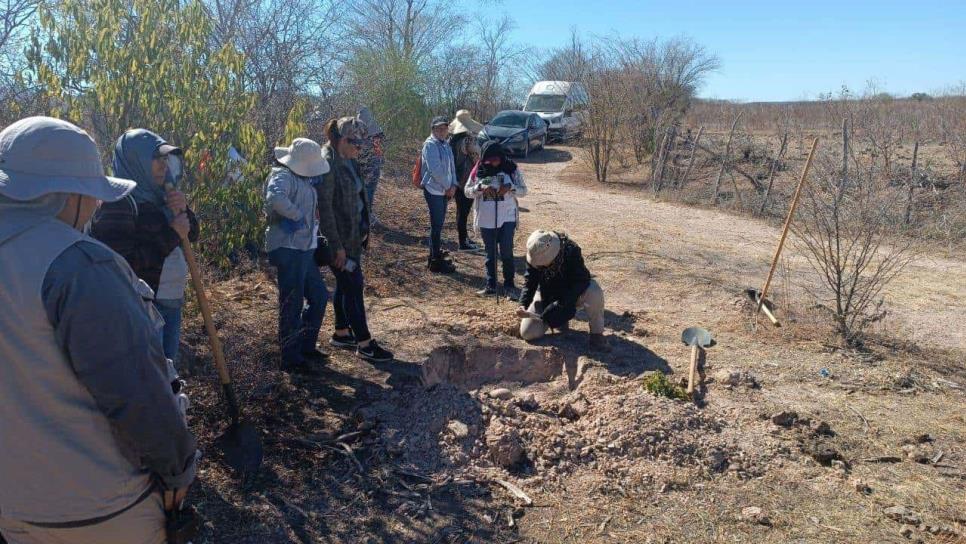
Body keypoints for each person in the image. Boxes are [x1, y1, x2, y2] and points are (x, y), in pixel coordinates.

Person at [0, 116, 197, 543]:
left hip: (13, 507)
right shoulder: (76, 263)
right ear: (66, 194)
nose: (93, 206)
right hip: (99, 506)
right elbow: (136, 391)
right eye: (89, 194)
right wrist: (178, 468)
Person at [90, 129, 199, 367]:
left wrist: (184, 210)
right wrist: (172, 234)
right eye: (156, 159)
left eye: (165, 159)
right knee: (151, 374)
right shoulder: (117, 204)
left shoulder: (162, 194)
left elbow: (193, 235)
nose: (163, 166)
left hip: (170, 298)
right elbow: (122, 265)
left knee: (169, 373)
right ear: (135, 161)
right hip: (142, 306)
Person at [318, 117, 394, 363]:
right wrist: (336, 246)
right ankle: (364, 343)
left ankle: (341, 332)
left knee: (345, 284)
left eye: (362, 145)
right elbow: (326, 210)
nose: (359, 149)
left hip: (353, 237)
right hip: (339, 240)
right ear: (342, 139)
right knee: (353, 286)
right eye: (356, 144)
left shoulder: (350, 161)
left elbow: (358, 195)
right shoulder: (328, 163)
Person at [264, 137, 331, 372]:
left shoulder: (305, 180)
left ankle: (305, 345)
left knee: (319, 296)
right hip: (288, 248)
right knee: (292, 302)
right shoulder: (283, 176)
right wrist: (297, 216)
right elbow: (275, 198)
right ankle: (291, 357)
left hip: (305, 248)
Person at [517, 230, 609, 351]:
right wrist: (523, 304)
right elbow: (530, 282)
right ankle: (559, 321)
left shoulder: (571, 250)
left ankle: (597, 335)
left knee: (594, 291)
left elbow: (582, 280)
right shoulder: (535, 253)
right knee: (527, 333)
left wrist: (562, 304)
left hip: (571, 293)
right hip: (546, 294)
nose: (540, 266)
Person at [464, 141, 528, 300]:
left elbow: (523, 190)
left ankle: (509, 286)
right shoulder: (478, 170)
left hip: (507, 216)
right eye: (488, 160)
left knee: (506, 251)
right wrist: (479, 188)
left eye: (495, 160)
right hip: (486, 218)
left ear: (501, 157)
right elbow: (467, 191)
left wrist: (511, 188)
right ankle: (491, 285)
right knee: (490, 253)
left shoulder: (511, 169)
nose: (492, 163)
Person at [421, 116, 458, 273]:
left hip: (445, 190)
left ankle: (434, 255)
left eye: (444, 128)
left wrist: (454, 184)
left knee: (439, 225)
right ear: (433, 129)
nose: (442, 131)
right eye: (439, 128)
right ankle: (434, 260)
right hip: (434, 190)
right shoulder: (430, 145)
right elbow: (435, 170)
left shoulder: (446, 145)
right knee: (436, 226)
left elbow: (452, 168)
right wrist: (447, 186)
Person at [449, 109, 484, 251]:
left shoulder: (452, 140)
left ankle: (464, 239)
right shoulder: (467, 140)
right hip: (466, 179)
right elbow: (477, 157)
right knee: (464, 212)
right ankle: (463, 242)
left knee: (461, 212)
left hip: (457, 179)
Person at [356, 106, 385, 222]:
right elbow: (378, 150)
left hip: (363, 170)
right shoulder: (375, 133)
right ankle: (366, 216)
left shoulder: (354, 133)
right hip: (370, 171)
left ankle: (364, 215)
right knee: (368, 193)